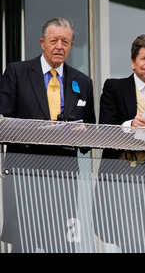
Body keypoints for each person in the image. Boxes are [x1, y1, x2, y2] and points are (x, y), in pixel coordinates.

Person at [0, 17, 96, 252]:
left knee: (60, 244)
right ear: (42, 43)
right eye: (54, 41)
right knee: (24, 243)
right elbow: (3, 122)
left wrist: (83, 134)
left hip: (64, 174)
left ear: (72, 45)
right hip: (24, 171)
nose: (59, 47)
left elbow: (92, 131)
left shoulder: (82, 81)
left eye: (66, 41)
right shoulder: (17, 71)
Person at [94, 34, 145, 252]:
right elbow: (105, 127)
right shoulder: (114, 87)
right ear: (133, 62)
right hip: (118, 176)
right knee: (118, 234)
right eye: (143, 58)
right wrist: (130, 125)